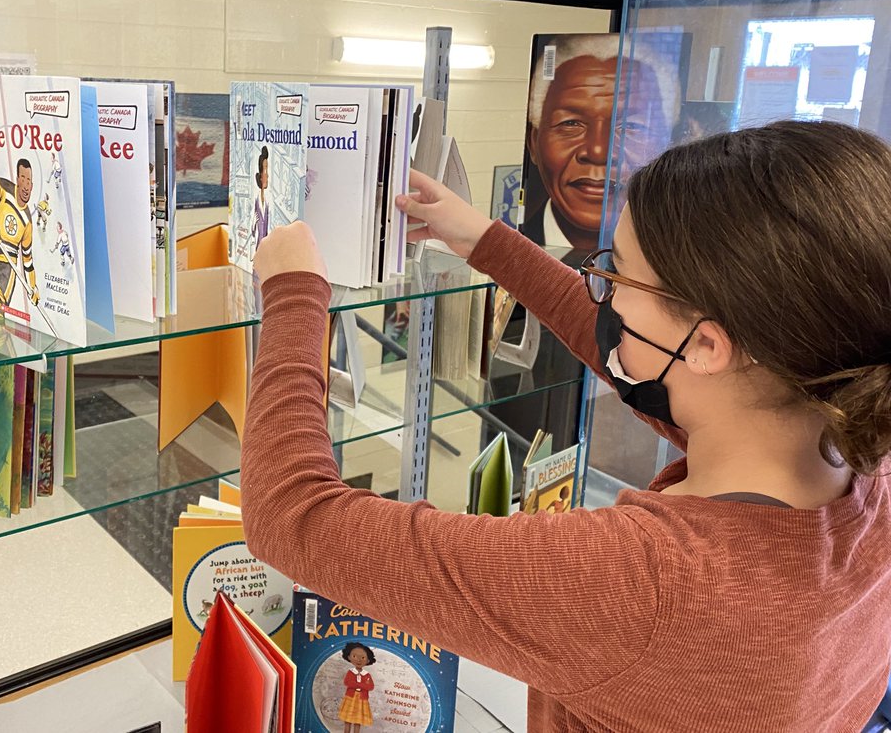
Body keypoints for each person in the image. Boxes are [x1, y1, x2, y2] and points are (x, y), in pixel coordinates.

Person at [242, 120, 891, 731]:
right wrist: (479, 238)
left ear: (708, 345)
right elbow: (647, 364)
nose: (602, 292)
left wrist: (295, 295)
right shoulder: (853, 455)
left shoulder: (640, 582)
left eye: (618, 274)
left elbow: (290, 516)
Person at [522, 34, 680, 256]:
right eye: (571, 124)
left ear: (669, 145)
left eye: (630, 127)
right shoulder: (517, 248)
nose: (598, 151)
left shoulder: (677, 258)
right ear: (533, 143)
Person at [0, 158, 40, 317]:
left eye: (29, 181)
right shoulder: (4, 188)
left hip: (6, 268)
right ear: (17, 180)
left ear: (32, 186)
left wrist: (33, 287)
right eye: (23, 178)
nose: (25, 185)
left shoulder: (27, 220)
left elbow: (27, 260)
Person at [338, 641, 376, 732]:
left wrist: (358, 685)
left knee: (357, 721)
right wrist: (362, 685)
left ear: (367, 660)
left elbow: (371, 687)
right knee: (348, 720)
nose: (359, 660)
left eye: (363, 657)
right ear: (349, 657)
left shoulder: (366, 675)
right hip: (350, 697)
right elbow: (347, 682)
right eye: (354, 656)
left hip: (361, 700)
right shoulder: (351, 672)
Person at [252, 145, 271, 248]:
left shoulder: (268, 202)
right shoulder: (256, 201)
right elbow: (253, 230)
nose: (267, 175)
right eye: (265, 170)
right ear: (259, 177)